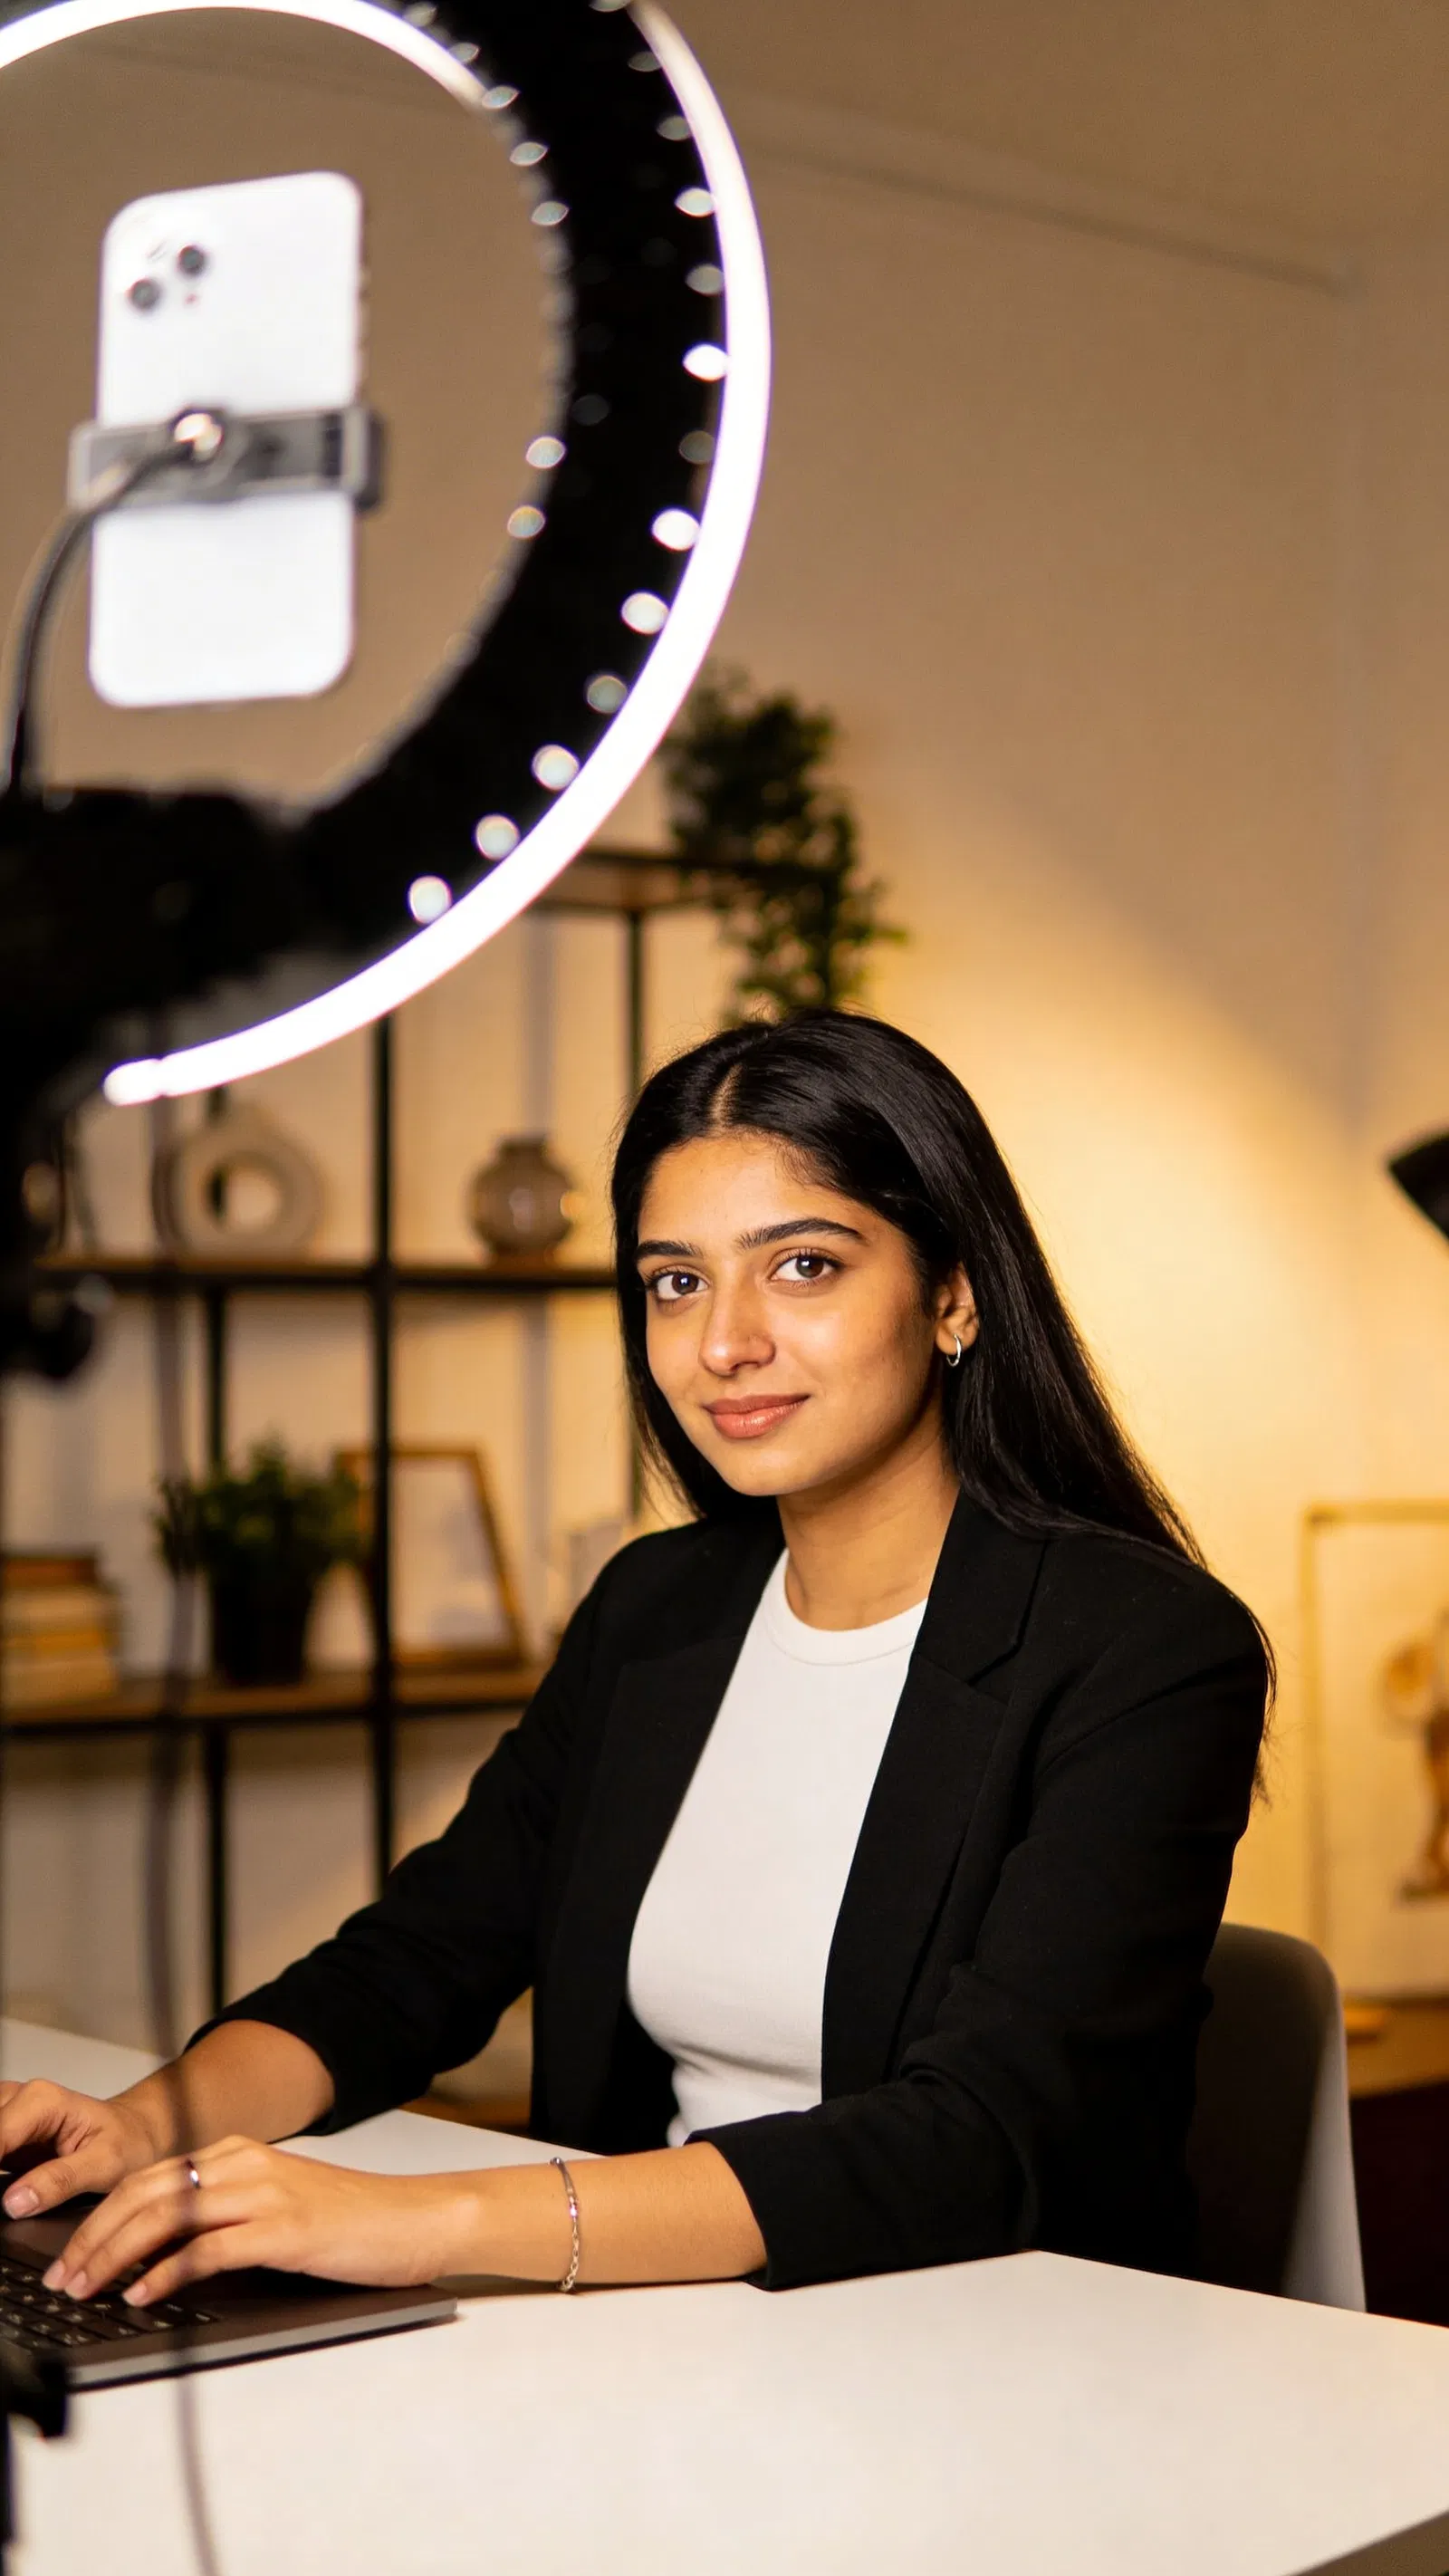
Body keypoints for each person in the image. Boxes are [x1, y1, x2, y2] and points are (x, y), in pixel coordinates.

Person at [0, 1012, 1269, 2309]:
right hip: (662, 2339)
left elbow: (982, 2135)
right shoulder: (659, 1609)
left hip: (998, 2350)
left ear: (954, 1292)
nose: (725, 1344)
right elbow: (419, 1957)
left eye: (804, 1268)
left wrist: (425, 2224)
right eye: (676, 1281)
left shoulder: (1147, 1650)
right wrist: (153, 2126)